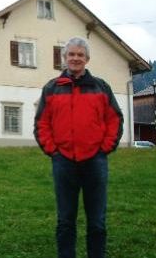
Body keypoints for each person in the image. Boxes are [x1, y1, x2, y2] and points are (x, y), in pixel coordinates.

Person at [34, 37, 123, 258]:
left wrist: (105, 148)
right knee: (65, 221)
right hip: (63, 162)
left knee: (97, 222)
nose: (75, 58)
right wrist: (53, 151)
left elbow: (115, 119)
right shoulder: (52, 88)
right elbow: (41, 123)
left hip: (95, 161)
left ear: (87, 59)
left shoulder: (101, 87)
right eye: (71, 54)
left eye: (80, 55)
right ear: (64, 58)